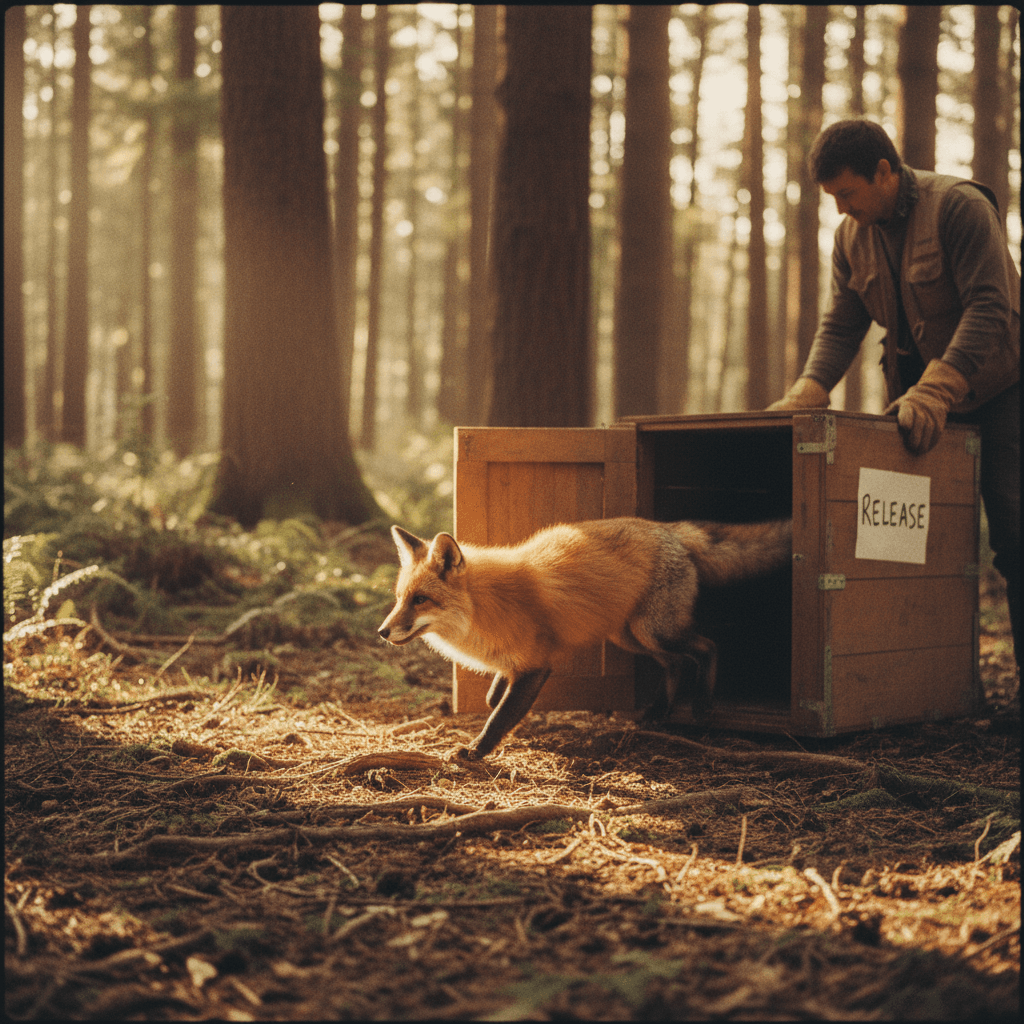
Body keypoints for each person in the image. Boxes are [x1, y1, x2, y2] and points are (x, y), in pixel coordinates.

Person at [769, 118, 1020, 672]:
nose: (839, 208)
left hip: (1001, 392)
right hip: (913, 408)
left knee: (1015, 533)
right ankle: (918, 684)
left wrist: (939, 389)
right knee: (907, 546)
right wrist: (808, 391)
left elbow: (990, 306)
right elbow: (842, 324)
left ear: (884, 172)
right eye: (831, 196)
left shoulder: (958, 208)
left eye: (846, 193)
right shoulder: (849, 238)